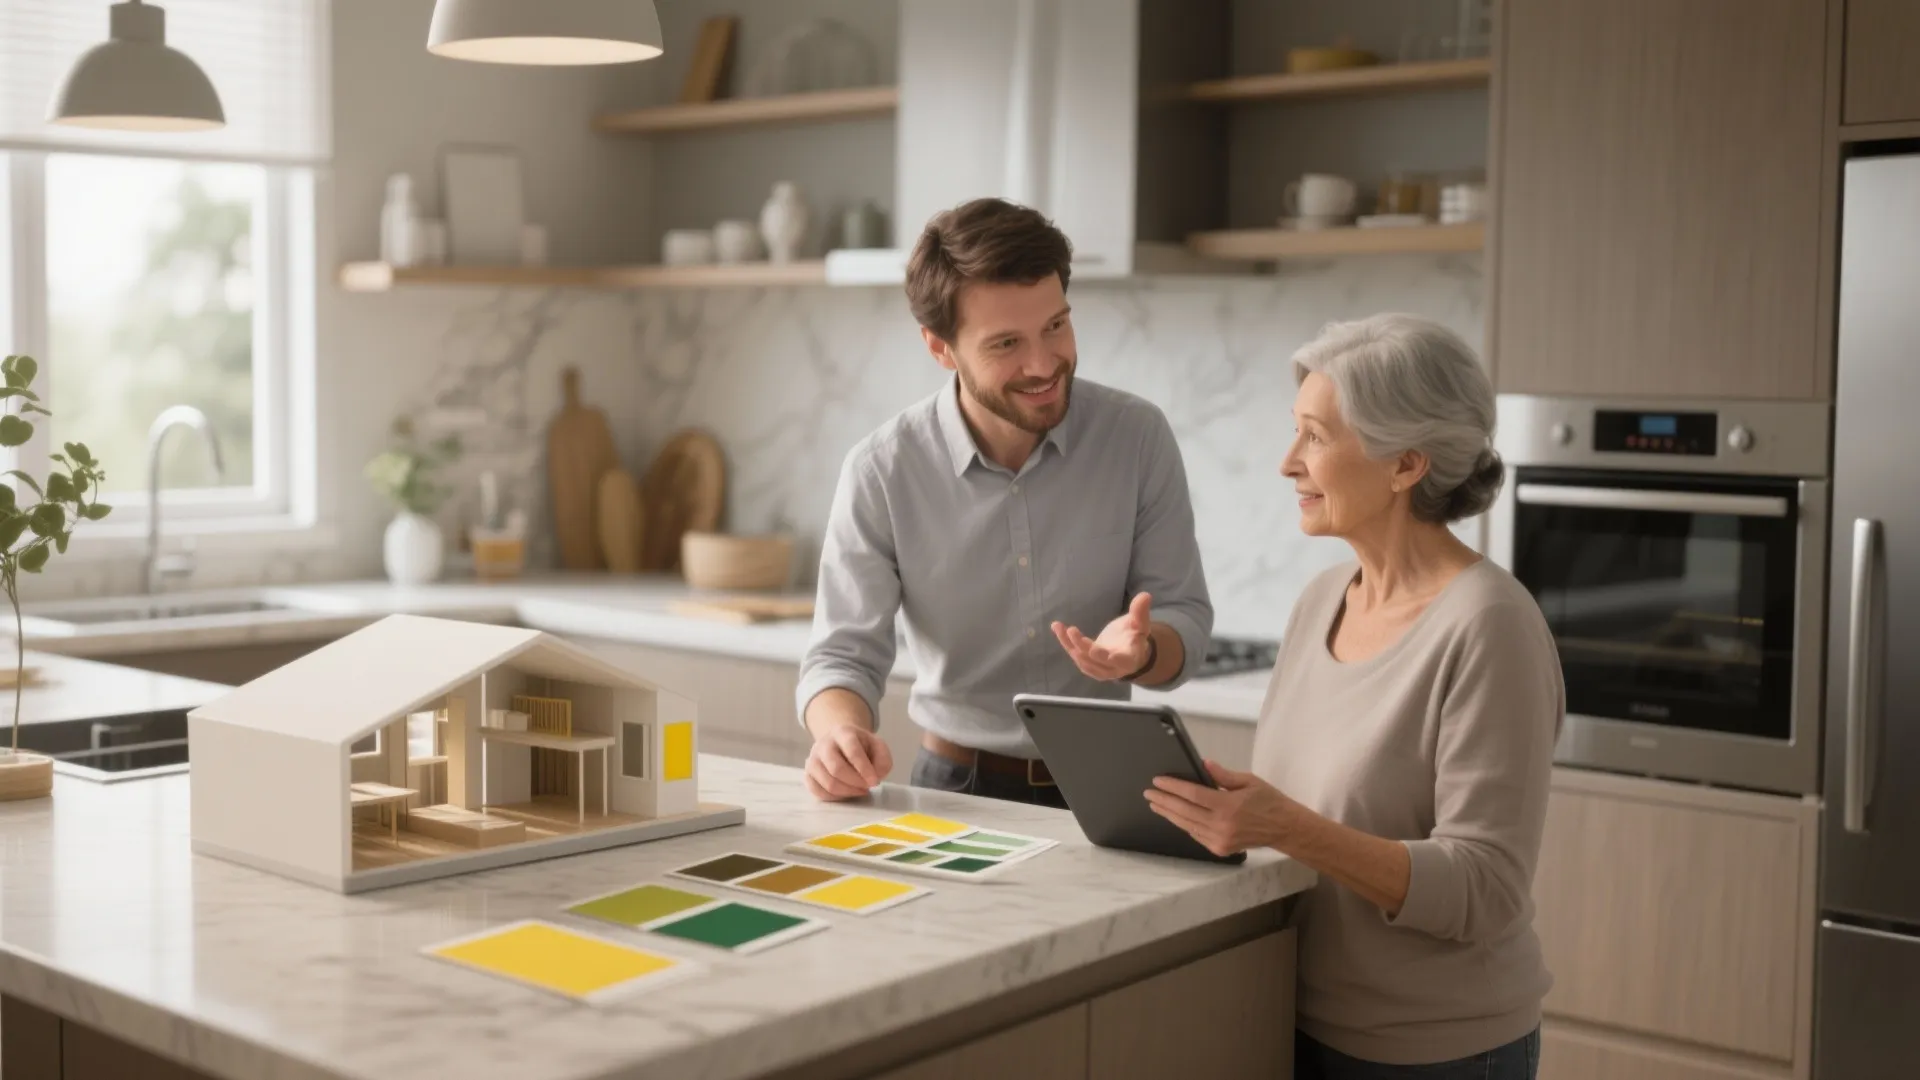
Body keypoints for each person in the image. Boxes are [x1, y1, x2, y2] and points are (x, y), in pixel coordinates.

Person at [1144, 314, 1559, 1079]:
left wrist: (1287, 826)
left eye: (1313, 436)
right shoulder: (1324, 598)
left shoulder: (1490, 625)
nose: (1286, 463)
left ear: (1404, 465)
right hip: (1293, 1016)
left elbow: (1486, 884)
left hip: (1435, 1049)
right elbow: (1305, 817)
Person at [795, 197, 1214, 807]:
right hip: (953, 787)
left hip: (1112, 783)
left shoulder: (1136, 437)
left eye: (1056, 326)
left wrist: (1143, 652)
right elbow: (841, 654)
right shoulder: (882, 470)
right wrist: (839, 736)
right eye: (1006, 344)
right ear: (941, 348)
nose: (1044, 364)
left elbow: (1183, 613)